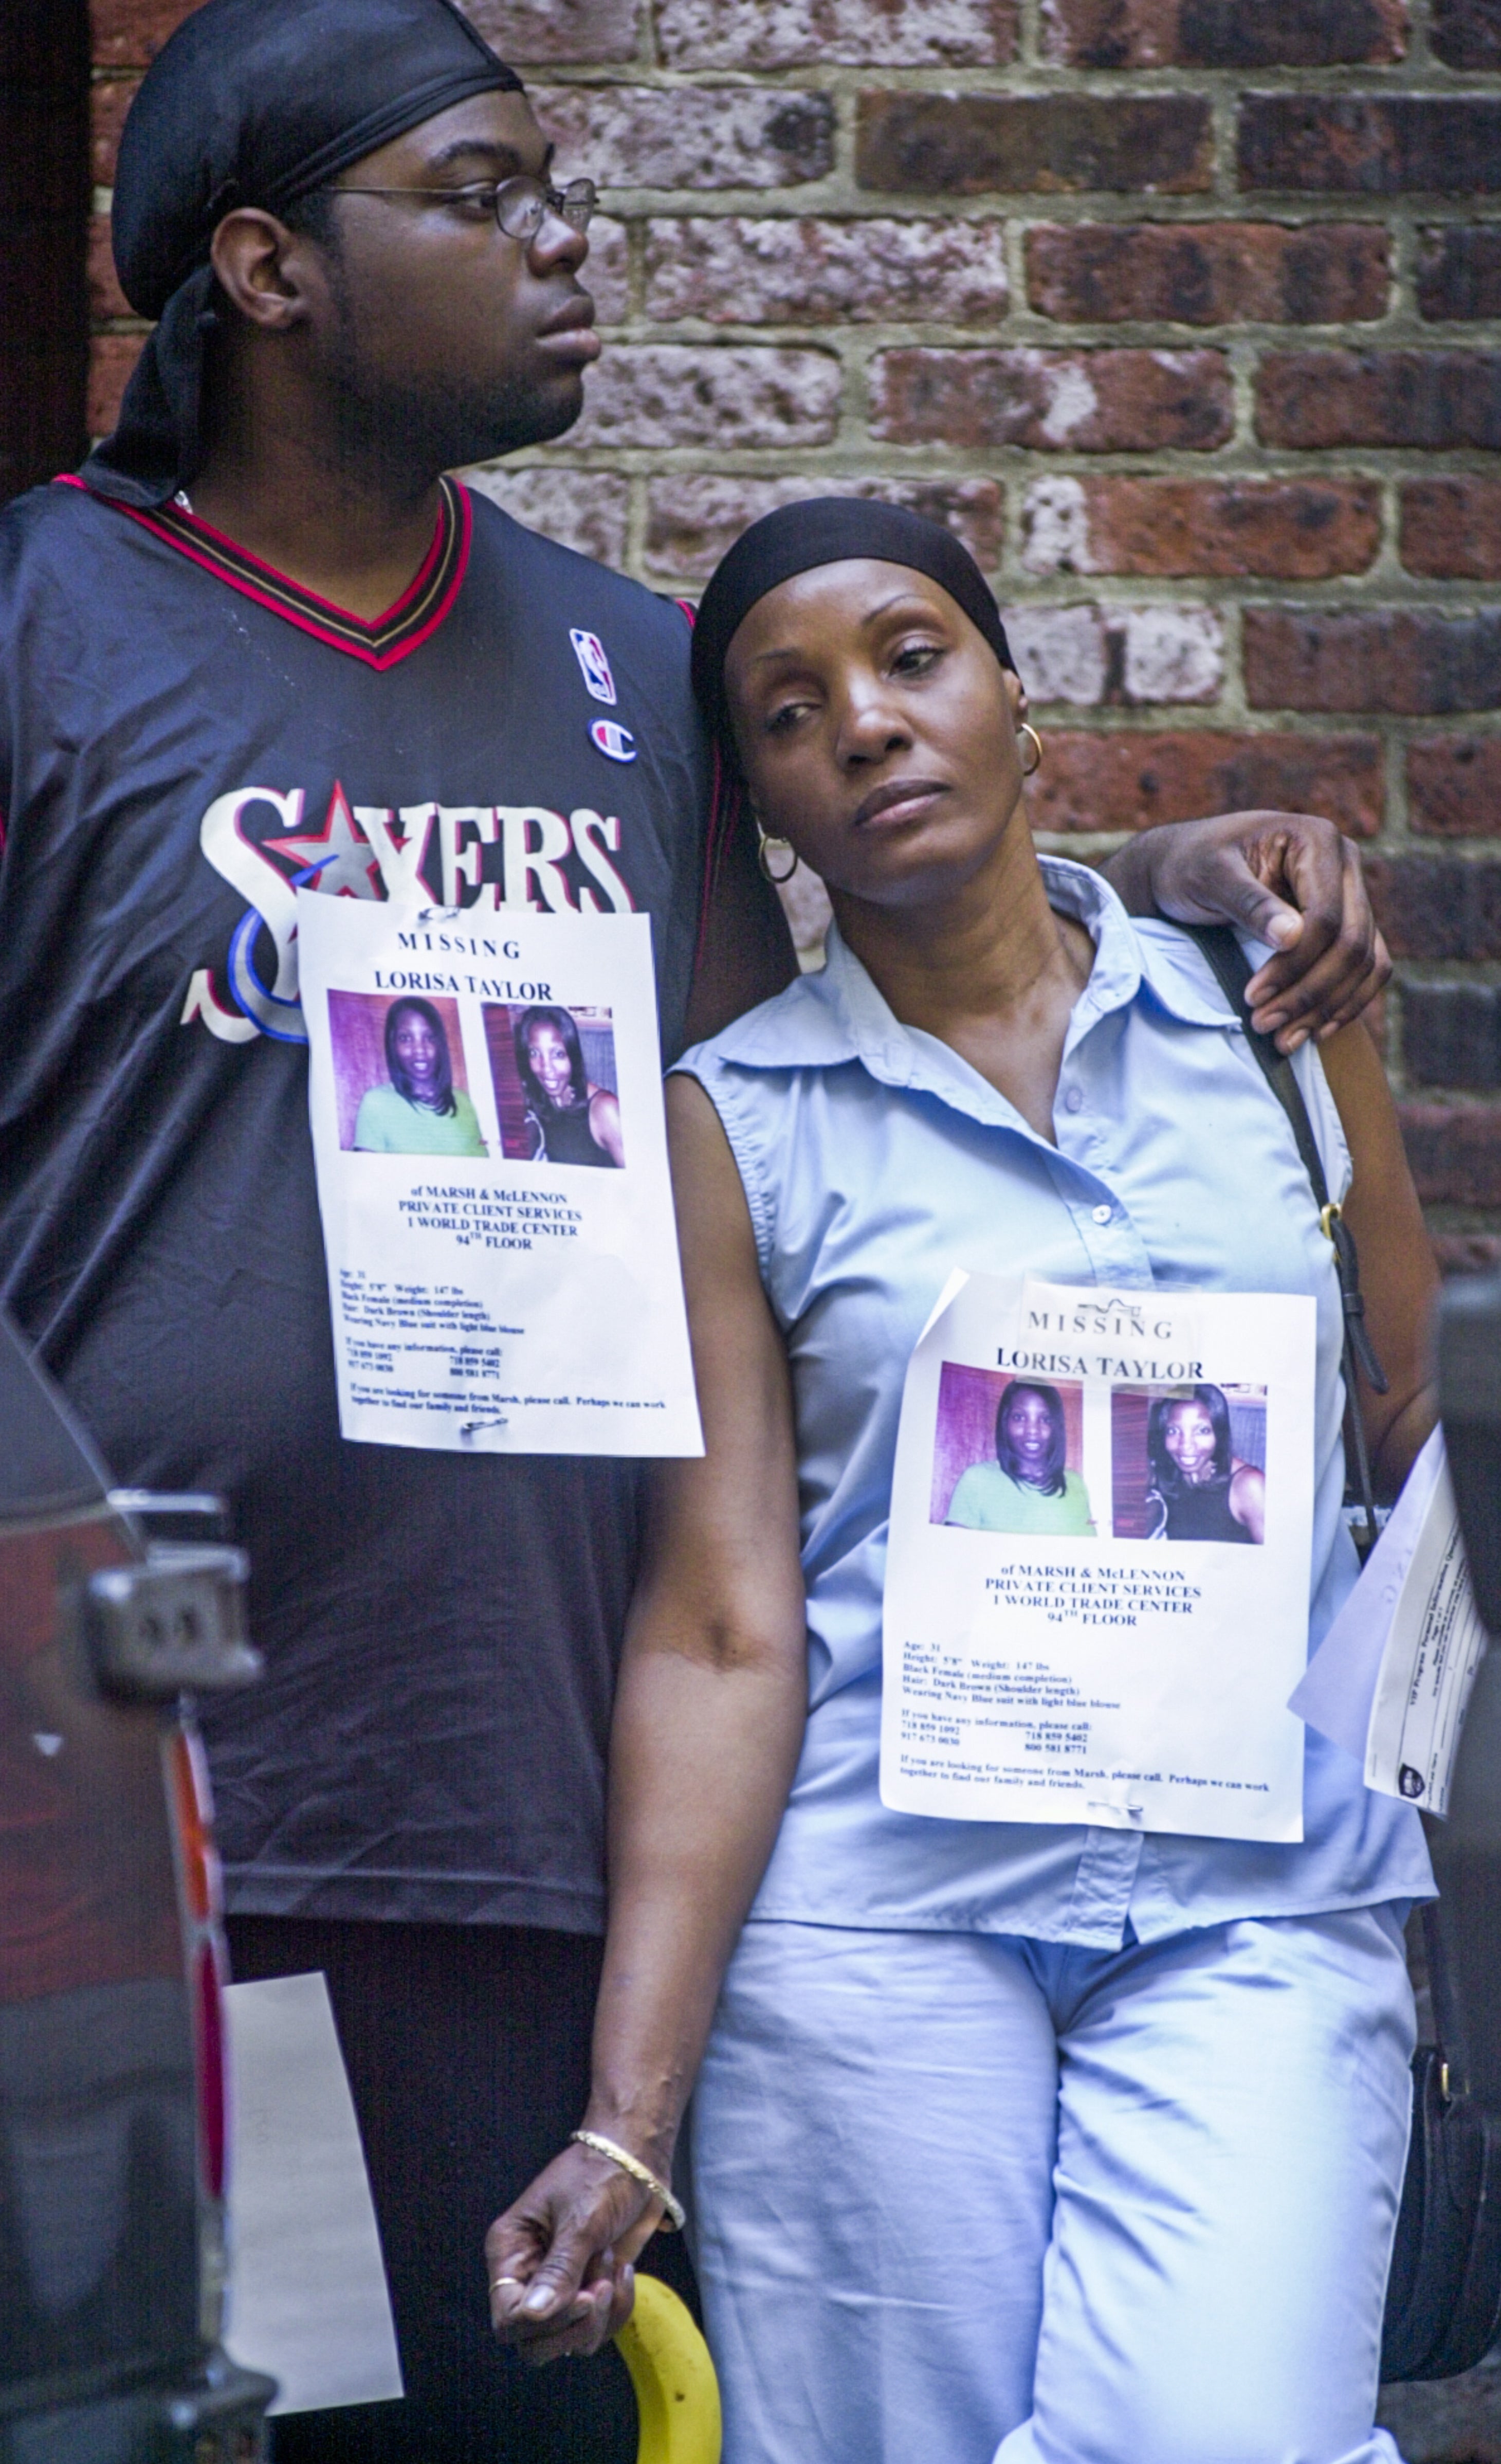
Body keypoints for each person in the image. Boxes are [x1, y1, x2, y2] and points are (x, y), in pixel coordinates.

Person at [0, 0, 1399, 2444]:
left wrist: (1138, 882)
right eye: (480, 192)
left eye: (559, 185)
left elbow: (825, 1078)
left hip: (528, 1793)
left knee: (494, 2423)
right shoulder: (42, 620)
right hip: (166, 1792)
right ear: (264, 265)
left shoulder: (626, 674)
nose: (565, 239)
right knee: (233, 2414)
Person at [487, 502, 1439, 2464]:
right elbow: (726, 1616)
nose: (862, 722)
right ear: (759, 795)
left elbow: (1406, 1423)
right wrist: (625, 2114)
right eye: (785, 709)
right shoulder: (727, 1122)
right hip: (869, 1917)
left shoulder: (1269, 1015)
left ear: (1012, 691)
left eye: (909, 658)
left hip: (1251, 1897)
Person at [946, 1378, 1095, 1534]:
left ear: (1056, 1427)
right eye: (1019, 1418)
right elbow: (955, 1551)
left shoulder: (1075, 1483)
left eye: (1045, 1419)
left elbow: (1088, 1553)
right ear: (1005, 1422)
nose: (1033, 1430)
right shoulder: (977, 1480)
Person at [354, 995, 486, 1154]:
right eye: (406, 1038)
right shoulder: (376, 1103)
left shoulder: (463, 1102)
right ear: (393, 1044)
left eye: (429, 1038)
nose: (420, 1050)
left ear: (440, 1044)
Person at [1146, 1383, 1265, 1544]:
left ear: (1219, 1434)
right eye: (1173, 1431)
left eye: (1202, 1431)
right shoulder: (1166, 1474)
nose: (1186, 1446)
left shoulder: (1249, 1486)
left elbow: (1278, 1562)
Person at [516, 1004, 623, 1168]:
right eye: (535, 1053)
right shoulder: (541, 1099)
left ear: (572, 1055)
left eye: (558, 1054)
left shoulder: (605, 1110)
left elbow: (640, 1184)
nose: (546, 1068)